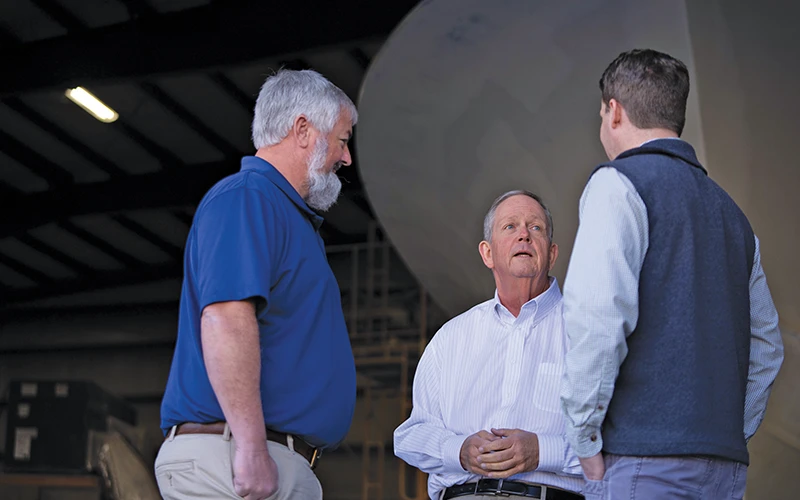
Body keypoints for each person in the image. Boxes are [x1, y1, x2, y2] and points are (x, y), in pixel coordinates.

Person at [560, 48, 785, 499]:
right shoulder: (732, 214)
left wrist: (583, 437)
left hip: (643, 461)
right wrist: (725, 432)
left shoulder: (617, 185)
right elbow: (767, 345)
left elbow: (597, 318)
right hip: (722, 468)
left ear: (614, 111)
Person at [155, 69, 358, 500]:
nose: (346, 157)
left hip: (261, 456)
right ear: (303, 130)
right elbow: (226, 319)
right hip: (234, 457)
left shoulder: (283, 213)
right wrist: (249, 448)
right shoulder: (247, 198)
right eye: (343, 140)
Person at [394, 190, 585, 500]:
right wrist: (460, 451)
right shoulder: (451, 337)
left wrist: (543, 451)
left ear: (551, 254)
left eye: (535, 227)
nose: (523, 234)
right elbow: (411, 437)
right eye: (510, 226)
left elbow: (624, 444)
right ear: (487, 253)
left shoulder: (589, 332)